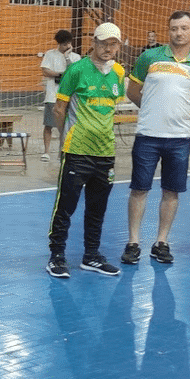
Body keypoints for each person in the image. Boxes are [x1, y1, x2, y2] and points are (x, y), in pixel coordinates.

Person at [122, 10, 190, 266]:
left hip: (179, 139)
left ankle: (161, 242)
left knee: (171, 192)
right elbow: (133, 91)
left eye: (184, 28)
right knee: (139, 189)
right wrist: (153, 108)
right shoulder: (149, 57)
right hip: (148, 136)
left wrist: (178, 113)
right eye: (174, 28)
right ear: (168, 30)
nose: (179, 33)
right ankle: (133, 242)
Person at [46, 23, 126, 279]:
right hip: (77, 151)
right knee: (65, 207)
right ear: (93, 42)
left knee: (97, 208)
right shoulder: (77, 70)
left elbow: (111, 110)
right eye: (103, 42)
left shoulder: (119, 73)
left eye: (113, 43)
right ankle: (56, 256)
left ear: (118, 46)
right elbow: (59, 110)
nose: (107, 48)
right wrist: (65, 138)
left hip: (106, 153)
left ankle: (91, 255)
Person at [39, 29, 80, 162]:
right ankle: (46, 151)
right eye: (63, 44)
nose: (65, 47)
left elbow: (74, 73)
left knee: (67, 125)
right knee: (49, 125)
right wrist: (60, 75)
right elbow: (45, 70)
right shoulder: (50, 54)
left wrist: (67, 57)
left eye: (67, 44)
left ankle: (63, 150)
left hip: (69, 97)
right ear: (58, 44)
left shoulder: (75, 57)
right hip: (53, 96)